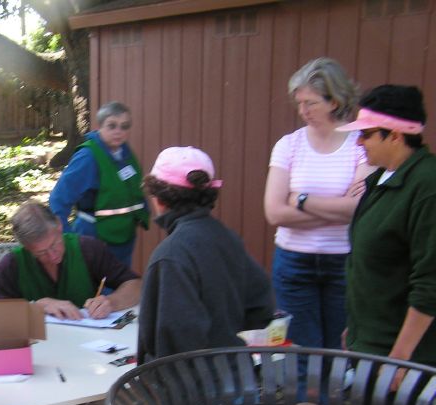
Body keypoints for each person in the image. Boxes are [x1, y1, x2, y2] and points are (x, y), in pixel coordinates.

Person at [0, 201, 141, 405]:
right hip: (41, 361)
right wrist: (36, 306)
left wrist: (111, 302)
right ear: (25, 248)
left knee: (123, 390)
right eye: (41, 253)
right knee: (46, 395)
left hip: (88, 355)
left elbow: (134, 285)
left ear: (60, 227)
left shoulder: (86, 249)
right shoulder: (12, 265)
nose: (52, 255)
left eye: (54, 245)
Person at [263, 57, 374, 351]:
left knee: (340, 349)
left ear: (334, 101)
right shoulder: (289, 145)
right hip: (293, 261)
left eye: (310, 103)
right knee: (300, 350)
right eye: (299, 103)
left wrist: (300, 199)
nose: (303, 111)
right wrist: (338, 210)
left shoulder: (360, 144)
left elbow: (359, 208)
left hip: (344, 261)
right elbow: (274, 212)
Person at [138, 147, 274, 364]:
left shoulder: (171, 255)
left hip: (189, 381)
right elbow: (262, 307)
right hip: (235, 371)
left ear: (159, 199)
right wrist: (224, 335)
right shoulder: (228, 238)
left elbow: (174, 339)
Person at [337, 85, 436, 377]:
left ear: (395, 135)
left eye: (366, 134)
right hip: (372, 344)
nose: (359, 142)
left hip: (406, 360)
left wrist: (401, 358)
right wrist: (357, 328)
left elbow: (430, 282)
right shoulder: (382, 179)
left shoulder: (427, 186)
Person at [49, 102, 149, 266]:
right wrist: (66, 239)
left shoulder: (125, 153)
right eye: (112, 126)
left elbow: (133, 188)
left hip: (124, 237)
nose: (118, 131)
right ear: (100, 126)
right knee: (94, 281)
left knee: (122, 279)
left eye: (124, 126)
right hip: (94, 236)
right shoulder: (88, 157)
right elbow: (58, 199)